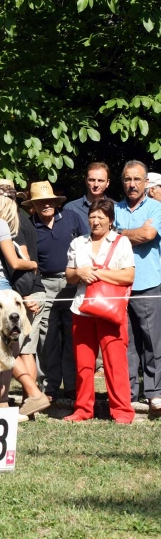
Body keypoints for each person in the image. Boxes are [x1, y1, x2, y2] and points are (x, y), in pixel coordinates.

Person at [0, 185, 49, 417]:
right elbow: (16, 263)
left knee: (1, 347)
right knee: (5, 348)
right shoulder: (0, 224)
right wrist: (33, 264)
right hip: (0, 286)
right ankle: (26, 394)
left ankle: (9, 399)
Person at [64, 199, 135, 423]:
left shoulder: (121, 242)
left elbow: (128, 276)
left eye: (101, 217)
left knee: (116, 363)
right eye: (92, 217)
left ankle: (122, 411)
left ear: (110, 220)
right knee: (84, 364)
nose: (95, 221)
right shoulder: (78, 243)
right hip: (82, 309)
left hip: (110, 310)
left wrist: (98, 273)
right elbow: (69, 275)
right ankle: (83, 410)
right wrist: (80, 273)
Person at [23, 181, 87, 401]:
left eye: (49, 201)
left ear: (56, 201)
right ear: (34, 205)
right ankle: (49, 386)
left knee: (72, 334)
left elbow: (87, 244)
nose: (46, 205)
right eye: (41, 202)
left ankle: (71, 385)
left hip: (72, 282)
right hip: (45, 283)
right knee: (46, 337)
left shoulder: (71, 217)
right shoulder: (30, 226)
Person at [114, 160, 161, 416]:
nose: (132, 184)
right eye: (128, 179)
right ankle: (129, 394)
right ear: (123, 182)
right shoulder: (115, 208)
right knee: (126, 342)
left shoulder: (156, 208)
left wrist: (121, 233)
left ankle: (155, 394)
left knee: (153, 342)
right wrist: (131, 232)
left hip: (148, 282)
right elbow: (107, 237)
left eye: (137, 179)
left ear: (146, 183)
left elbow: (148, 236)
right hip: (120, 284)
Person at [64, 162, 111, 232]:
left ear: (107, 183)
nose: (96, 184)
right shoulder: (70, 208)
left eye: (100, 180)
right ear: (86, 181)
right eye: (92, 180)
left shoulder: (116, 208)